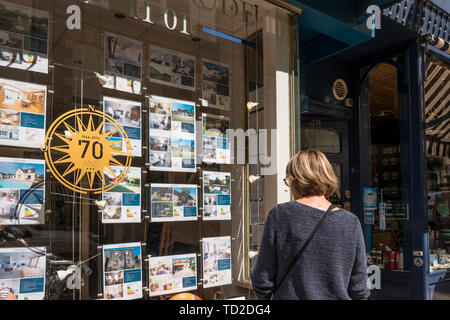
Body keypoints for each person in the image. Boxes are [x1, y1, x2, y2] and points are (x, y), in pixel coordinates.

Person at [251, 149, 370, 300]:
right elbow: (359, 287)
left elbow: (263, 277)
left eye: (289, 180)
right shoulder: (351, 222)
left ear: (295, 180)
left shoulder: (280, 214)